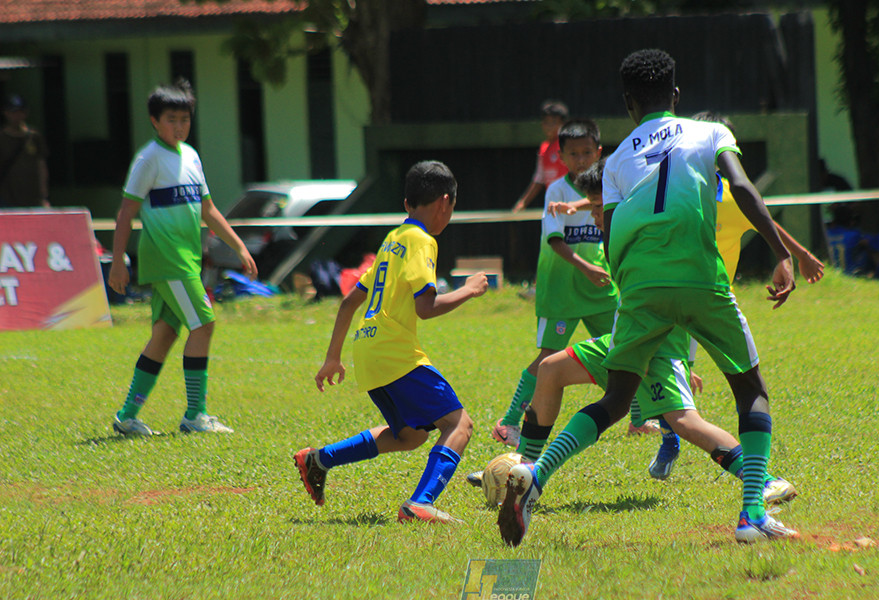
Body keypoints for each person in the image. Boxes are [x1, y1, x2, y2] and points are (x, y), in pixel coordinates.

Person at [499, 49, 799, 547]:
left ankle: (536, 474)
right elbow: (742, 187)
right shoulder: (710, 133)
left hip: (638, 290)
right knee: (751, 389)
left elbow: (612, 235)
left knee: (616, 398)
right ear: (676, 96)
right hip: (702, 282)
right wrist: (780, 251)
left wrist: (635, 288)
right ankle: (751, 515)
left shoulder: (615, 161)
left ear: (629, 104)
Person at [492, 144, 821, 502]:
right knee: (551, 370)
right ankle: (524, 469)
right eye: (594, 209)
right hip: (627, 339)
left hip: (655, 344)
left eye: (600, 209)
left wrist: (680, 356)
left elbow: (676, 294)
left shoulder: (641, 231)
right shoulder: (619, 228)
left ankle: (763, 479)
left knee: (684, 422)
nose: (596, 217)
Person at [293, 161, 489, 525]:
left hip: (368, 349)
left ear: (406, 204)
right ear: (445, 202)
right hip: (394, 351)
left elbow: (350, 300)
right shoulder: (421, 241)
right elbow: (426, 307)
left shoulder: (392, 240)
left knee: (410, 436)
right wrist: (468, 290)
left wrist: (332, 357)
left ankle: (318, 459)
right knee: (459, 424)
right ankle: (421, 503)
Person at [108, 80, 258, 436]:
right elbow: (126, 213)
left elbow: (208, 209)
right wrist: (117, 262)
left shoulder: (190, 155)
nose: (179, 126)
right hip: (166, 257)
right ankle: (196, 415)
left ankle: (127, 415)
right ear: (154, 121)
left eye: (184, 119)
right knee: (204, 324)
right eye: (171, 119)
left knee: (164, 334)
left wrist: (238, 246)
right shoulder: (148, 159)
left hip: (187, 259)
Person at [493, 120, 654, 450]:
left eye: (586, 152)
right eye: (573, 154)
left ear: (598, 152)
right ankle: (509, 422)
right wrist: (586, 267)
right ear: (561, 156)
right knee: (548, 356)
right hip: (561, 290)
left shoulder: (608, 183)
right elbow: (554, 241)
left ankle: (638, 419)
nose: (581, 160)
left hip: (599, 289)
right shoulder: (556, 191)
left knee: (625, 346)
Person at [512, 100, 569, 213]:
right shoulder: (544, 148)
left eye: (553, 122)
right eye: (546, 122)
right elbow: (539, 179)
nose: (549, 126)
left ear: (563, 124)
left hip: (569, 205)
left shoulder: (567, 145)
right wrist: (523, 202)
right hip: (552, 206)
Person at [0, 94, 49, 207]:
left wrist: (44, 194)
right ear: (6, 113)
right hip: (7, 195)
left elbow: (41, 165)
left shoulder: (34, 136)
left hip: (32, 195)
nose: (17, 116)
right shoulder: (2, 137)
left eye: (20, 112)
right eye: (13, 112)